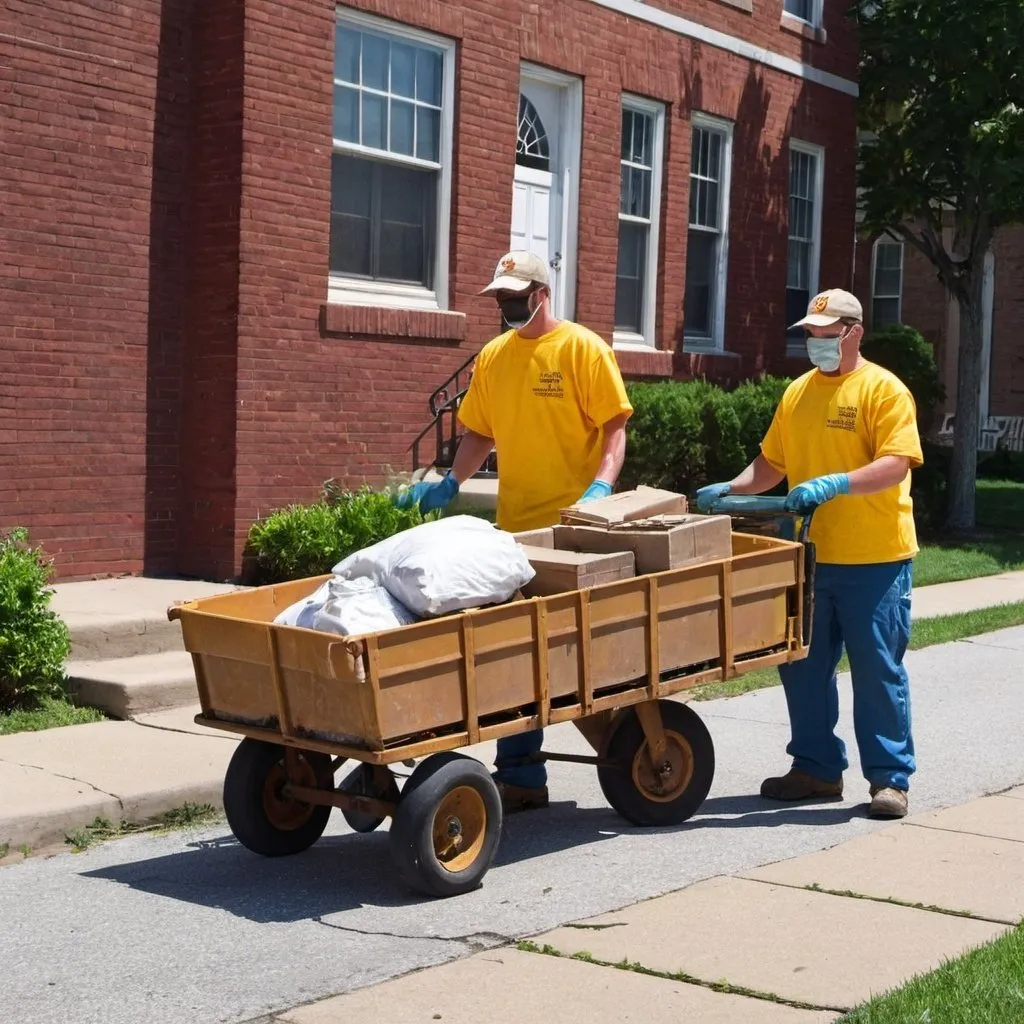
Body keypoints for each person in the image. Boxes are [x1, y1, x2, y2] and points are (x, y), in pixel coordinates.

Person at [397, 250, 633, 812]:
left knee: (569, 653)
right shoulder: (496, 358)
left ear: (541, 294)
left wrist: (600, 489)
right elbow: (479, 432)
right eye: (499, 299)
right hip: (516, 529)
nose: (505, 307)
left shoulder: (582, 349)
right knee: (516, 651)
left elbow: (614, 428)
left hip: (575, 530)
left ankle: (617, 745)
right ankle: (522, 776)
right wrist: (450, 481)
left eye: (514, 298)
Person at [696, 288, 922, 820]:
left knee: (876, 670)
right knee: (802, 666)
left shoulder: (883, 391)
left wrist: (836, 483)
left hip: (875, 559)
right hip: (809, 556)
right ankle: (817, 768)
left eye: (827, 336)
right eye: (811, 337)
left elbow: (897, 463)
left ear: (854, 332)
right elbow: (771, 464)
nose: (816, 345)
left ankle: (890, 780)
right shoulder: (797, 393)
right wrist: (730, 488)